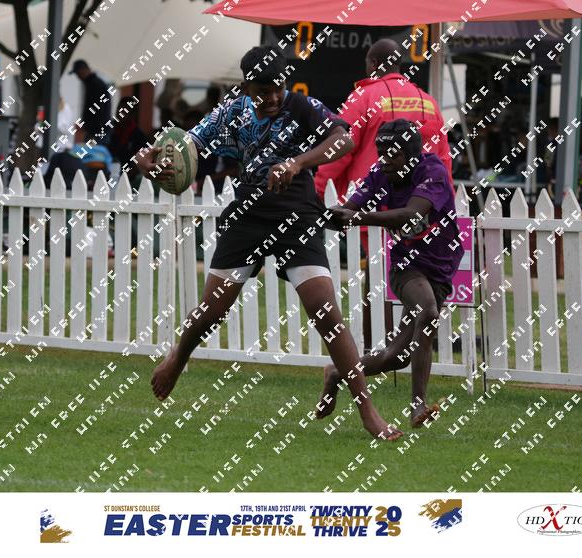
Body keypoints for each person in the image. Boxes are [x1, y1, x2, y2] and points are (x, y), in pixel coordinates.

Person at [136, 46, 403, 441]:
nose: (274, 97)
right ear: (246, 87)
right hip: (248, 214)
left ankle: (368, 411)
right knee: (211, 311)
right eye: (264, 91)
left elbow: (344, 140)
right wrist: (149, 161)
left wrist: (298, 162)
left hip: (296, 212)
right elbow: (183, 149)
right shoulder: (230, 114)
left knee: (325, 311)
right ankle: (178, 357)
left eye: (279, 87)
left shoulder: (302, 106)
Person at [321, 119, 464, 428]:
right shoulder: (380, 174)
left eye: (393, 154)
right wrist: (331, 216)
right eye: (381, 152)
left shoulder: (433, 172)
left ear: (411, 154)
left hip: (440, 268)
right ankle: (418, 405)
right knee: (427, 312)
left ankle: (336, 373)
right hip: (406, 266)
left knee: (397, 357)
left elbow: (410, 214)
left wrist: (356, 217)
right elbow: (349, 209)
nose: (385, 160)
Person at [314, 38, 454, 348]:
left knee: (379, 275)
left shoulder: (364, 96)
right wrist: (446, 205)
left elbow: (340, 150)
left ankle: (374, 346)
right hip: (423, 209)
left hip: (377, 205)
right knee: (415, 276)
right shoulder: (427, 101)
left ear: (373, 63)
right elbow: (444, 159)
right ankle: (409, 343)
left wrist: (318, 191)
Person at [70, 59, 112, 144]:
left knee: (94, 151)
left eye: (78, 73)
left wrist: (93, 132)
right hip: (96, 131)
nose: (78, 77)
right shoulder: (92, 83)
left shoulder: (95, 85)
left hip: (98, 132)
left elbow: (98, 110)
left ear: (84, 70)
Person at [108, 96, 149, 181]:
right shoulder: (110, 130)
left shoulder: (138, 135)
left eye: (124, 111)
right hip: (109, 175)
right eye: (118, 109)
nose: (120, 113)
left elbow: (142, 161)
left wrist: (128, 175)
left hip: (130, 180)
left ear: (133, 114)